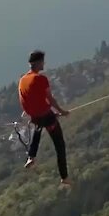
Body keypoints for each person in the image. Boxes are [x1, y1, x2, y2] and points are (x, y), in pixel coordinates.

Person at [18, 49, 70, 186]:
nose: (44, 64)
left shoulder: (22, 80)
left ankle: (31, 157)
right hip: (45, 115)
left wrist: (35, 114)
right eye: (42, 61)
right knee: (60, 145)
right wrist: (61, 111)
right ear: (38, 62)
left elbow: (27, 100)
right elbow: (50, 99)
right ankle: (64, 177)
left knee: (38, 128)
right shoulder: (41, 79)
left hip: (36, 116)